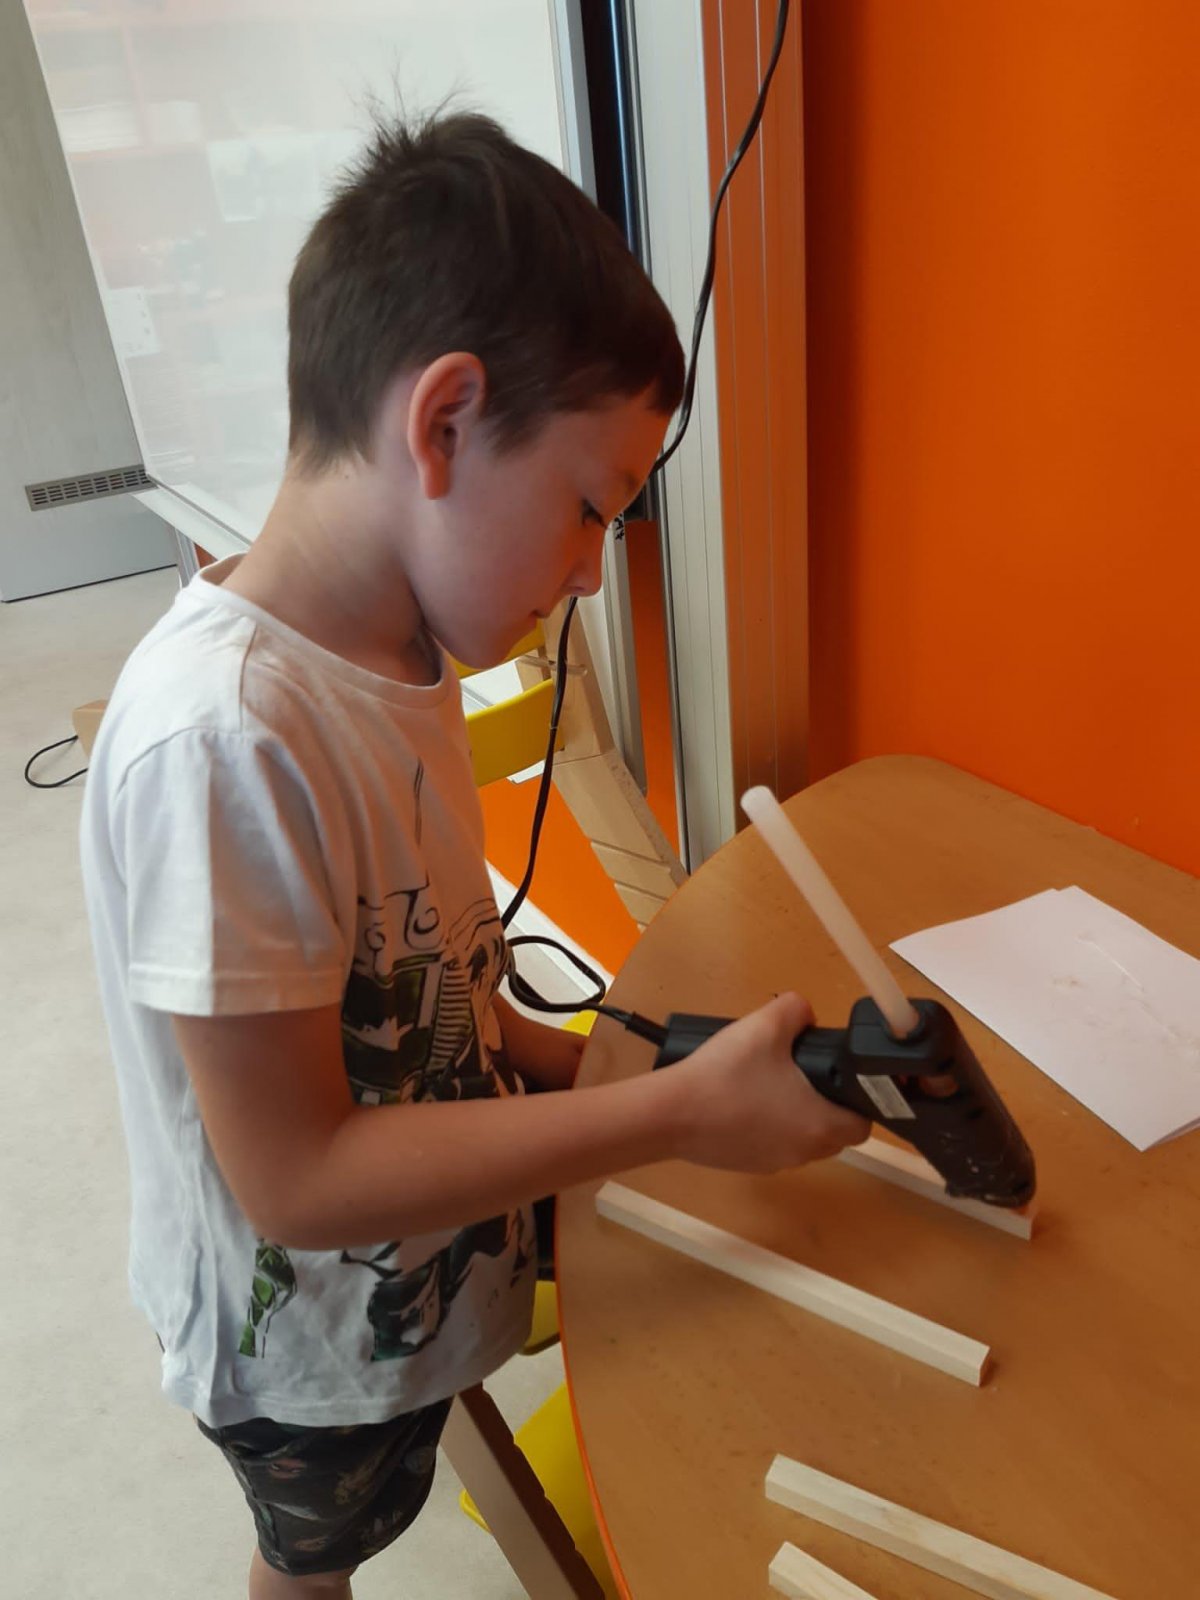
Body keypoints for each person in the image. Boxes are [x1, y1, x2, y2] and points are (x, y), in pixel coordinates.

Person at [80, 111, 867, 1598]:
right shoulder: (223, 743)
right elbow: (300, 1179)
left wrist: (618, 1066)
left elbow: (447, 990)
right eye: (590, 509)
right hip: (305, 1349)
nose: (591, 573)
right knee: (316, 1555)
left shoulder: (406, 654)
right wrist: (669, 1117)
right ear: (443, 423)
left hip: (432, 1255)